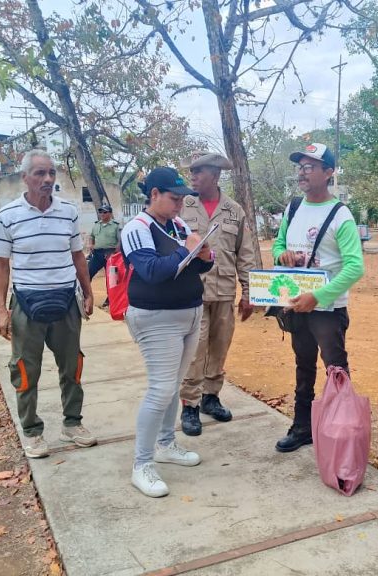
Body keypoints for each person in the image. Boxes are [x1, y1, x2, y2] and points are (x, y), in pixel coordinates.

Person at [0, 149, 96, 459]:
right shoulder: (7, 215)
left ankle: (72, 423)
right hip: (26, 303)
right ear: (24, 178)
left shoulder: (68, 212)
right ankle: (32, 431)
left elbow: (78, 256)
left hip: (66, 302)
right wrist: (1, 309)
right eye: (39, 173)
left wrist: (88, 292)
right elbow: (0, 266)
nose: (47, 179)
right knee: (25, 370)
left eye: (51, 173)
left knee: (72, 366)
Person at [121, 166, 214, 498]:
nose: (179, 205)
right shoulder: (137, 228)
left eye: (182, 199)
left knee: (173, 385)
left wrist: (203, 254)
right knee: (160, 389)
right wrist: (186, 249)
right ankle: (141, 464)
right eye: (174, 199)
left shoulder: (177, 224)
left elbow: (200, 265)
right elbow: (151, 271)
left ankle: (164, 443)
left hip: (188, 312)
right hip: (156, 317)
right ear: (154, 195)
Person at [272, 142, 365, 453]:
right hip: (297, 304)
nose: (303, 171)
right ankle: (302, 427)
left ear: (329, 172)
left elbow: (355, 267)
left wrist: (320, 296)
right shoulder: (293, 208)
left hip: (327, 309)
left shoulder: (341, 215)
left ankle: (343, 433)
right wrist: (282, 255)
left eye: (310, 166)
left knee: (335, 369)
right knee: (303, 365)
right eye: (300, 165)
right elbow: (277, 246)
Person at [178, 151, 257, 436]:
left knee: (220, 345)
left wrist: (249, 292)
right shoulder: (182, 207)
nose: (193, 177)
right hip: (192, 291)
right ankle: (190, 404)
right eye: (192, 172)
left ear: (215, 175)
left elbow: (245, 254)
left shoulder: (234, 211)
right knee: (195, 349)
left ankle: (211, 397)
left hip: (224, 290)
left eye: (199, 172)